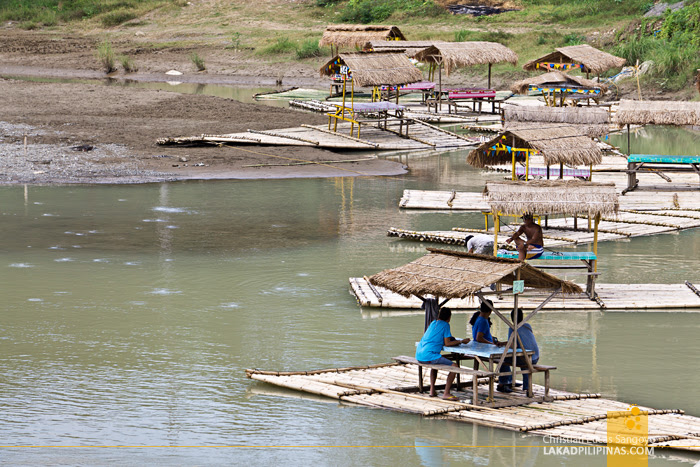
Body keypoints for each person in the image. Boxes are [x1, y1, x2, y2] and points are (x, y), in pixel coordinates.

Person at [416, 307, 470, 401]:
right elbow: (447, 343)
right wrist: (461, 341)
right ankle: (446, 393)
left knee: (435, 363)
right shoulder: (445, 325)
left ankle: (432, 390)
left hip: (419, 354)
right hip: (429, 356)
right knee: (455, 366)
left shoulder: (433, 323)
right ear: (449, 317)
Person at [501, 308, 540, 392]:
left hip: (526, 359)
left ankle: (504, 382)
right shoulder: (527, 326)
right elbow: (521, 340)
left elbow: (513, 345)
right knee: (524, 357)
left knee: (502, 359)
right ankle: (526, 386)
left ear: (512, 318)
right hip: (535, 357)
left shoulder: (512, 328)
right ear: (522, 317)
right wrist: (504, 343)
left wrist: (504, 345)